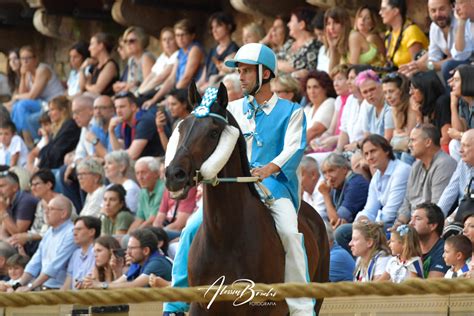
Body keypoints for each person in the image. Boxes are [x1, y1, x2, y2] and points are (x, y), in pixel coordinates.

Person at [164, 43, 313, 315]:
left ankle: (301, 306)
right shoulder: (229, 109)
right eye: (240, 71)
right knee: (189, 229)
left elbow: (295, 148)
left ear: (265, 74)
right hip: (232, 185)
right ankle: (176, 303)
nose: (240, 77)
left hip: (274, 185)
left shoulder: (292, 111)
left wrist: (270, 168)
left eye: (246, 71)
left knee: (290, 233)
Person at [334, 135, 411, 253]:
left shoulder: (401, 170)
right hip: (380, 224)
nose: (370, 157)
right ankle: (362, 268)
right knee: (347, 231)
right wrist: (360, 220)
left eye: (373, 151)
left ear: (386, 150)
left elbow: (390, 213)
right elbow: (369, 209)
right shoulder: (377, 176)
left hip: (397, 226)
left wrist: (367, 224)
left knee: (344, 232)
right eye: (366, 154)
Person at [14, 195, 77, 291]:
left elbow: (54, 266)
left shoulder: (71, 233)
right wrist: (19, 284)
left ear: (63, 213)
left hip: (61, 290)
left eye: (51, 209)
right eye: (46, 208)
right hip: (44, 287)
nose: (46, 212)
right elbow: (35, 261)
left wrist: (30, 287)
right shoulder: (49, 232)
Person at [396, 124, 457, 224]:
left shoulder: (445, 164)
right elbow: (407, 202)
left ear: (428, 142)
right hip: (413, 223)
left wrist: (411, 226)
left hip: (428, 224)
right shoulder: (416, 165)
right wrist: (399, 223)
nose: (409, 145)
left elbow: (435, 209)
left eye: (413, 140)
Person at [399, 0, 470, 81]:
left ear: (451, 7)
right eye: (433, 10)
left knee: (448, 66)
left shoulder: (460, 22)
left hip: (468, 65)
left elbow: (459, 57)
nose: (438, 14)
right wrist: (416, 66)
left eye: (442, 9)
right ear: (428, 11)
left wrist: (426, 66)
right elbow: (434, 58)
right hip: (452, 68)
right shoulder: (434, 27)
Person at [142, 19, 205, 109]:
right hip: (179, 93)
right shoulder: (180, 52)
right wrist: (154, 99)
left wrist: (171, 97)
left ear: (192, 36)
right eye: (177, 35)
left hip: (191, 94)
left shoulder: (194, 49)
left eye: (183, 35)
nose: (180, 38)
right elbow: (171, 79)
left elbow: (186, 78)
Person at [10, 45, 65, 145]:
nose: (25, 61)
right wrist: (22, 76)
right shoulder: (28, 73)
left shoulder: (42, 70)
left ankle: (21, 138)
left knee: (21, 105)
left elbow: (32, 96)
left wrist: (16, 96)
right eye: (22, 59)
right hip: (44, 103)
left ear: (35, 59)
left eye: (28, 58)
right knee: (18, 108)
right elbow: (23, 94)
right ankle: (27, 141)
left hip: (55, 101)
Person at [82, 228, 172, 289]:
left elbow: (133, 285)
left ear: (145, 250)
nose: (128, 252)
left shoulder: (157, 263)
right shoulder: (137, 264)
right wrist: (90, 284)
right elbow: (116, 285)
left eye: (132, 248)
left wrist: (99, 285)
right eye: (128, 248)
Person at [7, 169, 57, 256]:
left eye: (37, 184)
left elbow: (54, 231)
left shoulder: (60, 202)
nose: (33, 188)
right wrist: (20, 238)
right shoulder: (41, 203)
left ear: (49, 185)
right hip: (38, 240)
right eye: (32, 185)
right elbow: (36, 229)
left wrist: (27, 237)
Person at [109, 92, 167, 160]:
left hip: (159, 162)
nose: (118, 111)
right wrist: (111, 131)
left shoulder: (145, 121)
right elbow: (118, 150)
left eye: (122, 107)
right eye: (116, 107)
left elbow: (132, 156)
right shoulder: (123, 122)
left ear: (133, 107)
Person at [318, 153, 369, 229]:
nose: (328, 177)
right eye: (324, 173)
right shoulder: (337, 184)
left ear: (344, 169)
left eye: (331, 170)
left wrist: (325, 195)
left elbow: (337, 221)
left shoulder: (356, 184)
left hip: (365, 229)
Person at [379, 0, 429, 69]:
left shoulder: (411, 31)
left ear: (395, 11)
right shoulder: (389, 34)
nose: (380, 13)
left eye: (383, 9)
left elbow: (417, 66)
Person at [410, 71, 451, 152]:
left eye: (413, 88)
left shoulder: (442, 102)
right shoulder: (428, 107)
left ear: (425, 88)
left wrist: (423, 144)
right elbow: (421, 136)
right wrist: (419, 116)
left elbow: (446, 138)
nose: (410, 92)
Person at [197, 12, 239, 90]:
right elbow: (203, 78)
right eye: (212, 27)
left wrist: (202, 89)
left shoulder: (234, 50)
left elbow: (219, 78)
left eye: (218, 26)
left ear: (229, 27)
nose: (214, 30)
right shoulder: (212, 51)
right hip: (206, 88)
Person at [37, 96, 81, 170]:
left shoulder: (70, 126)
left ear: (63, 110)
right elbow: (47, 151)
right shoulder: (58, 128)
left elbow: (56, 153)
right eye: (49, 110)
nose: (49, 114)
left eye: (52, 110)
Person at [438, 129, 474, 218]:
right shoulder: (462, 162)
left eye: (466, 146)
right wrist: (437, 217)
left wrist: (451, 219)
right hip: (461, 213)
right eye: (461, 145)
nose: (460, 150)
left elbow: (470, 201)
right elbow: (450, 191)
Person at [381, 72, 416, 161]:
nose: (388, 96)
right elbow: (398, 133)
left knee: (405, 156)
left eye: (391, 91)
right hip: (403, 147)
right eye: (385, 93)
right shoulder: (394, 107)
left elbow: (409, 136)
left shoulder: (411, 103)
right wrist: (398, 134)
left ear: (401, 90)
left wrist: (398, 134)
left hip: (415, 147)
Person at [410, 202, 449, 278]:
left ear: (433, 226)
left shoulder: (444, 250)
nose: (411, 223)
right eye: (411, 219)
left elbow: (432, 287)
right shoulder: (409, 246)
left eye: (418, 219)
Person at [62, 216, 101, 290]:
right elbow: (67, 284)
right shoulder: (75, 254)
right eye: (74, 230)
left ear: (92, 232)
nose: (74, 233)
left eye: (79, 229)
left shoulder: (98, 253)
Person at [277, 7, 321, 73]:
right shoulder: (289, 43)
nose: (288, 24)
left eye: (291, 21)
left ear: (301, 25)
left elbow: (298, 70)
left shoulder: (314, 45)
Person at [113, 27, 155, 94]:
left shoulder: (146, 57)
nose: (128, 44)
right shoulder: (131, 59)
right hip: (132, 95)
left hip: (143, 96)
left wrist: (128, 86)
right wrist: (122, 86)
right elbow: (131, 83)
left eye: (131, 41)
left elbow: (149, 85)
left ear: (141, 40)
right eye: (125, 41)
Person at [138, 27, 178, 98]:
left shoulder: (178, 54)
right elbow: (152, 75)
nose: (167, 42)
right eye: (164, 40)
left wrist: (141, 92)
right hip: (153, 90)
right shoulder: (163, 56)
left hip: (165, 92)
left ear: (176, 40)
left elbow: (161, 77)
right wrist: (139, 90)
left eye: (170, 39)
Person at [128, 157, 165, 231]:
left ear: (156, 174)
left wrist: (135, 235)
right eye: (137, 173)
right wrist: (127, 235)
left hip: (159, 230)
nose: (140, 177)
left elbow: (153, 219)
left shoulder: (162, 189)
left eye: (143, 172)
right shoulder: (143, 191)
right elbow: (139, 219)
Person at [357, 70, 394, 141]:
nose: (369, 94)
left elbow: (387, 140)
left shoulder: (389, 108)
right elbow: (366, 137)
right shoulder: (369, 109)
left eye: (372, 89)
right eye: (365, 92)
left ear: (381, 87)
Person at [79, 32, 119, 96]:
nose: (89, 48)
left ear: (101, 46)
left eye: (92, 44)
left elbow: (98, 89)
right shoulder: (94, 66)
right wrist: (82, 68)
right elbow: (82, 88)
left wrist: (87, 86)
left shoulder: (110, 65)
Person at [0, 171, 38, 239]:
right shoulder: (9, 200)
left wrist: (3, 211)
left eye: (2, 186)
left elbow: (18, 234)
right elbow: (3, 231)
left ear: (15, 187)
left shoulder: (25, 201)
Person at [448, 65, 474, 161]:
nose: (452, 84)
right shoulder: (463, 102)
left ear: (467, 81)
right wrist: (453, 105)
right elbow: (458, 129)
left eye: (456, 80)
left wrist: (460, 135)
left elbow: (458, 133)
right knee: (454, 144)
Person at [304, 71, 336, 146]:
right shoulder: (308, 108)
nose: (312, 91)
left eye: (316, 87)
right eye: (309, 87)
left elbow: (314, 131)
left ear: (325, 88)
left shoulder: (330, 102)